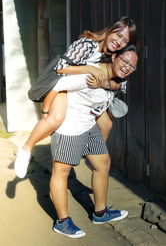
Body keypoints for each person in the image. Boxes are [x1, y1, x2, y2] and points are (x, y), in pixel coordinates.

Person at [14, 16, 137, 178]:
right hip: (62, 83)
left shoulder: (117, 56)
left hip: (86, 97)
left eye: (124, 40)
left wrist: (104, 84)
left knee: (106, 124)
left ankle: (90, 158)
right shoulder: (87, 44)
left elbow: (120, 85)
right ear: (110, 30)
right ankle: (26, 148)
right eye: (118, 34)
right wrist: (91, 69)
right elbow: (60, 69)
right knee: (56, 118)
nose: (119, 41)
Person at [49, 45, 138, 238]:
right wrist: (48, 116)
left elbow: (116, 87)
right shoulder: (89, 72)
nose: (127, 67)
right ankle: (62, 222)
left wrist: (105, 84)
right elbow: (57, 86)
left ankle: (100, 213)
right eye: (125, 61)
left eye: (132, 66)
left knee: (102, 163)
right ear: (114, 57)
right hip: (70, 127)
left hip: (89, 125)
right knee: (61, 172)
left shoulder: (119, 79)